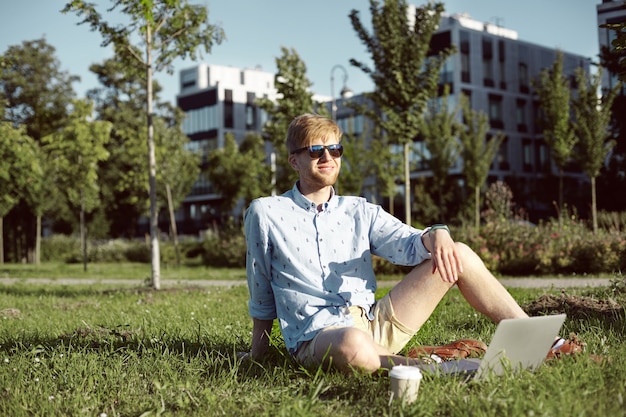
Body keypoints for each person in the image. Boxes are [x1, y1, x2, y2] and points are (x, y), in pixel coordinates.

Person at [243, 113, 581, 374]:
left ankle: (541, 342)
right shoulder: (267, 212)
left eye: (335, 149)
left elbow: (407, 243)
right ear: (294, 160)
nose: (327, 157)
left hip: (375, 322)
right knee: (351, 344)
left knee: (457, 253)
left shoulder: (359, 210)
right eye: (316, 150)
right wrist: (259, 352)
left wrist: (437, 233)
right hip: (318, 338)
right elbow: (260, 286)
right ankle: (436, 367)